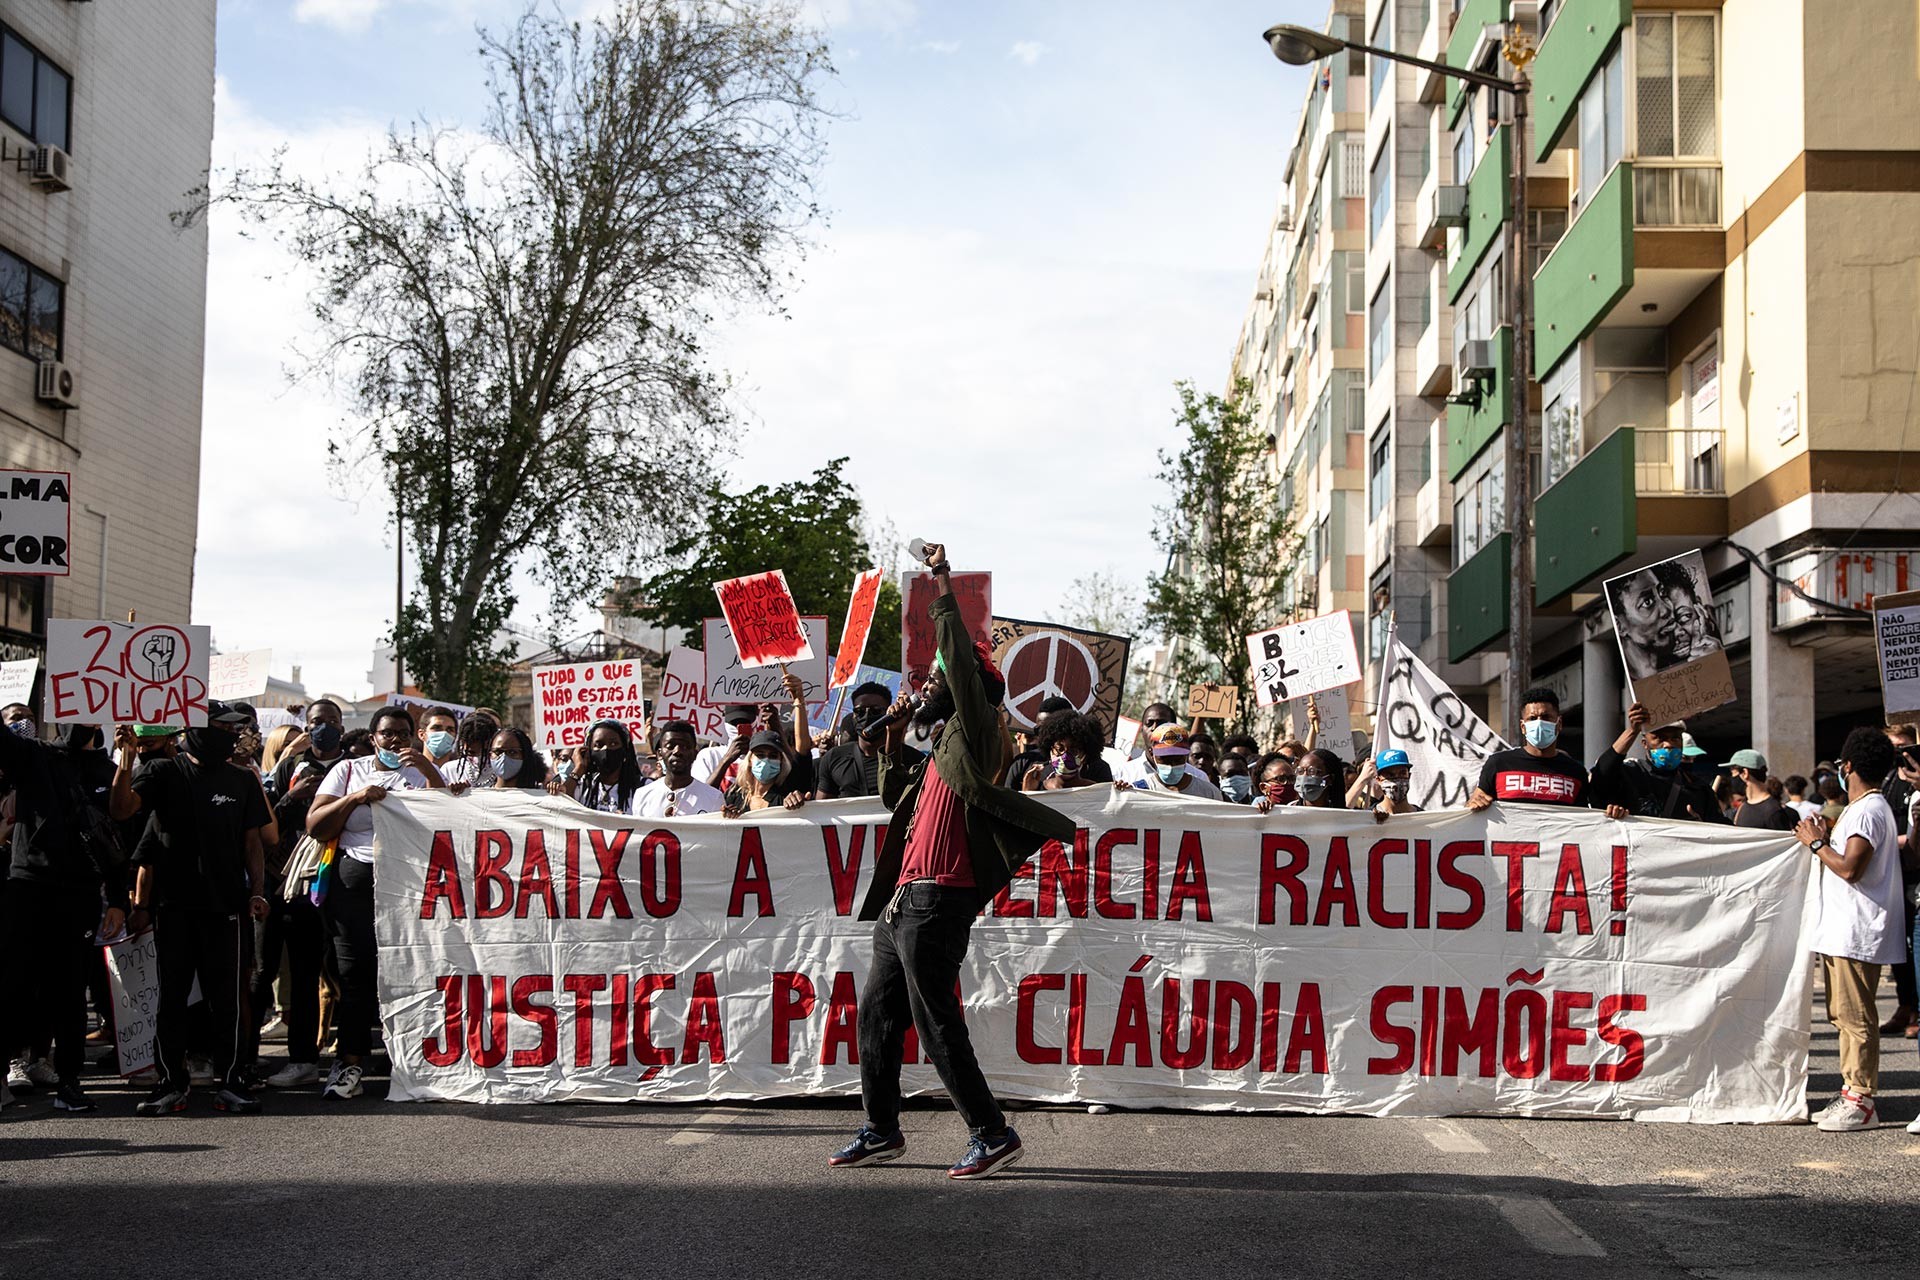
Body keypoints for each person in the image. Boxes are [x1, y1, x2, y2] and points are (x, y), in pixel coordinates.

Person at [832, 542, 1074, 1180]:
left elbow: (963, 669)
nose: (927, 688)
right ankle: (882, 1127)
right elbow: (893, 800)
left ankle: (991, 1131)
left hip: (940, 894)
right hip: (903, 898)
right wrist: (886, 738)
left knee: (932, 1015)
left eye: (938, 681)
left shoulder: (979, 725)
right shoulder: (940, 746)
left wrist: (941, 584)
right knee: (878, 1013)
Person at [109, 704, 273, 1116]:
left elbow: (253, 842)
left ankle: (232, 1081)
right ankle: (171, 1083)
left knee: (228, 1001)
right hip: (176, 908)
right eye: (221, 727)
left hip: (227, 908)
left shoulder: (242, 779)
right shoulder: (164, 772)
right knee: (173, 1000)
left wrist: (257, 890)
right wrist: (127, 761)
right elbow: (122, 809)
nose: (229, 735)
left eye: (233, 730)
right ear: (198, 728)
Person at [304, 705, 444, 1100]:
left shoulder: (422, 772)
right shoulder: (348, 771)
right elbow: (316, 824)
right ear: (373, 738)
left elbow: (450, 818)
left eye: (403, 733)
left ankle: (412, 1061)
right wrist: (355, 798)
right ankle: (349, 1063)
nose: (395, 740)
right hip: (355, 882)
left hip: (410, 886)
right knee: (354, 973)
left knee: (409, 969)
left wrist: (428, 770)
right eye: (387, 734)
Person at [0, 718, 128, 1114]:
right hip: (28, 886)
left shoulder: (107, 771)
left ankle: (69, 1082)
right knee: (14, 985)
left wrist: (120, 899)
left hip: (80, 893)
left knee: (70, 991)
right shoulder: (34, 755)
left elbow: (117, 838)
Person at [1797, 727, 1905, 1132]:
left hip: (1857, 930)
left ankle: (1861, 1099)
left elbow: (1850, 868)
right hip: (1849, 929)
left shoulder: (1865, 811)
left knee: (1855, 1017)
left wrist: (1815, 843)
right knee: (1844, 1014)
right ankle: (1851, 1092)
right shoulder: (1867, 809)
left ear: (1848, 767)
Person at [255, 698, 350, 1089]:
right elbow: (264, 820)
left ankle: (322, 1056)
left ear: (341, 727)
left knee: (325, 971)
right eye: (316, 722)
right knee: (267, 972)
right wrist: (291, 799)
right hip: (283, 884)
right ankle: (255, 1060)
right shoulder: (291, 769)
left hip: (332, 882)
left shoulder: (352, 767)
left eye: (330, 721)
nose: (323, 728)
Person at [1588, 704, 1724, 822]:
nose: (1668, 744)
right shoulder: (1631, 774)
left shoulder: (1698, 788)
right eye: (1659, 738)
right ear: (1645, 744)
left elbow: (1724, 830)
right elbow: (1602, 775)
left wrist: (1704, 827)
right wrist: (1633, 731)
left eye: (1675, 738)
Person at [1468, 689, 1598, 811]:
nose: (1539, 723)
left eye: (1546, 717)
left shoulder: (1576, 772)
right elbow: (1475, 802)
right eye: (1532, 718)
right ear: (1523, 727)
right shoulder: (1498, 764)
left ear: (1559, 724)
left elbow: (1583, 820)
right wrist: (1474, 804)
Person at [815, 681, 895, 800]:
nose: (867, 716)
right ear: (853, 715)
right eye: (860, 712)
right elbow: (823, 810)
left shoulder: (909, 759)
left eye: (876, 711)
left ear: (888, 713)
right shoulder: (834, 758)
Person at [549, 719, 647, 815]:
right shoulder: (583, 786)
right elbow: (561, 809)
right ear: (589, 751)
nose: (606, 749)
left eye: (613, 744)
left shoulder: (643, 787)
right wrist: (579, 768)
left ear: (625, 750)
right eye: (598, 745)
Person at [632, 721, 723, 817]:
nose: (677, 751)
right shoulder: (642, 795)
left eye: (684, 747)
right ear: (659, 754)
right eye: (670, 746)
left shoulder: (714, 798)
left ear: (695, 754)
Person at [1118, 725, 1224, 800]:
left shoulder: (1209, 793)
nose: (1171, 766)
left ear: (1186, 755)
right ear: (1152, 754)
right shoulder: (1139, 791)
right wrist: (1118, 795)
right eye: (1164, 759)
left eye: (1177, 760)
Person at [722, 731, 810, 815]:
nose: (766, 760)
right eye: (760, 755)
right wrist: (729, 815)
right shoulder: (734, 795)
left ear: (781, 761)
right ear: (750, 759)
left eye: (773, 756)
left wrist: (797, 805)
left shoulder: (785, 797)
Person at [1018, 712, 1107, 792]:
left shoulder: (1096, 790)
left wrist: (1118, 791)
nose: (1065, 756)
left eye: (1074, 751)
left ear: (1085, 756)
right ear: (1050, 751)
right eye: (1060, 749)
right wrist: (1028, 791)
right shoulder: (1038, 788)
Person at [1725, 750, 1797, 831]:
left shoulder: (1772, 811)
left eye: (1733, 774)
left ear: (1745, 773)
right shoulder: (1744, 806)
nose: (1732, 779)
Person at [695, 705, 759, 791]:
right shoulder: (709, 755)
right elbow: (701, 796)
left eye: (745, 722)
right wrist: (727, 759)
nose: (738, 727)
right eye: (735, 723)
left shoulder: (764, 756)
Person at [483, 726, 548, 790]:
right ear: (490, 755)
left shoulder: (542, 794)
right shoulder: (481, 796)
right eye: (498, 751)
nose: (504, 758)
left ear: (524, 755)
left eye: (512, 752)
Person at [1368, 748, 1422, 819]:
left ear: (1409, 776)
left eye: (1402, 773)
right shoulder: (1369, 817)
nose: (1397, 780)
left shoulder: (1423, 818)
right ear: (1379, 780)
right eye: (1390, 775)